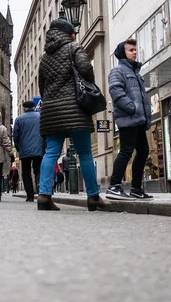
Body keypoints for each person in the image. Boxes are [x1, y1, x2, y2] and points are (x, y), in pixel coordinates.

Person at [37, 19, 109, 212]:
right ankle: (93, 196)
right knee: (85, 152)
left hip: (51, 110)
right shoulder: (74, 47)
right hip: (74, 108)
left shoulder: (44, 59)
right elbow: (85, 69)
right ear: (69, 34)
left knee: (51, 152)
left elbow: (42, 88)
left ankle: (44, 196)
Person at [106, 39, 153, 200]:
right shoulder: (117, 71)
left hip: (139, 120)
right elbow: (116, 91)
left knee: (143, 152)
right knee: (126, 151)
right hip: (128, 119)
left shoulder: (136, 74)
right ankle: (114, 186)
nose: (134, 52)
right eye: (131, 50)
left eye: (135, 50)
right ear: (122, 53)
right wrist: (132, 107)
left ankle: (136, 189)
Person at [13, 99, 45, 202]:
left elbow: (16, 135)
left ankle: (30, 196)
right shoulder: (40, 117)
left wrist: (18, 147)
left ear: (24, 108)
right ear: (33, 107)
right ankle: (41, 189)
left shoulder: (18, 119)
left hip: (25, 150)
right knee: (38, 170)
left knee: (26, 173)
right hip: (39, 148)